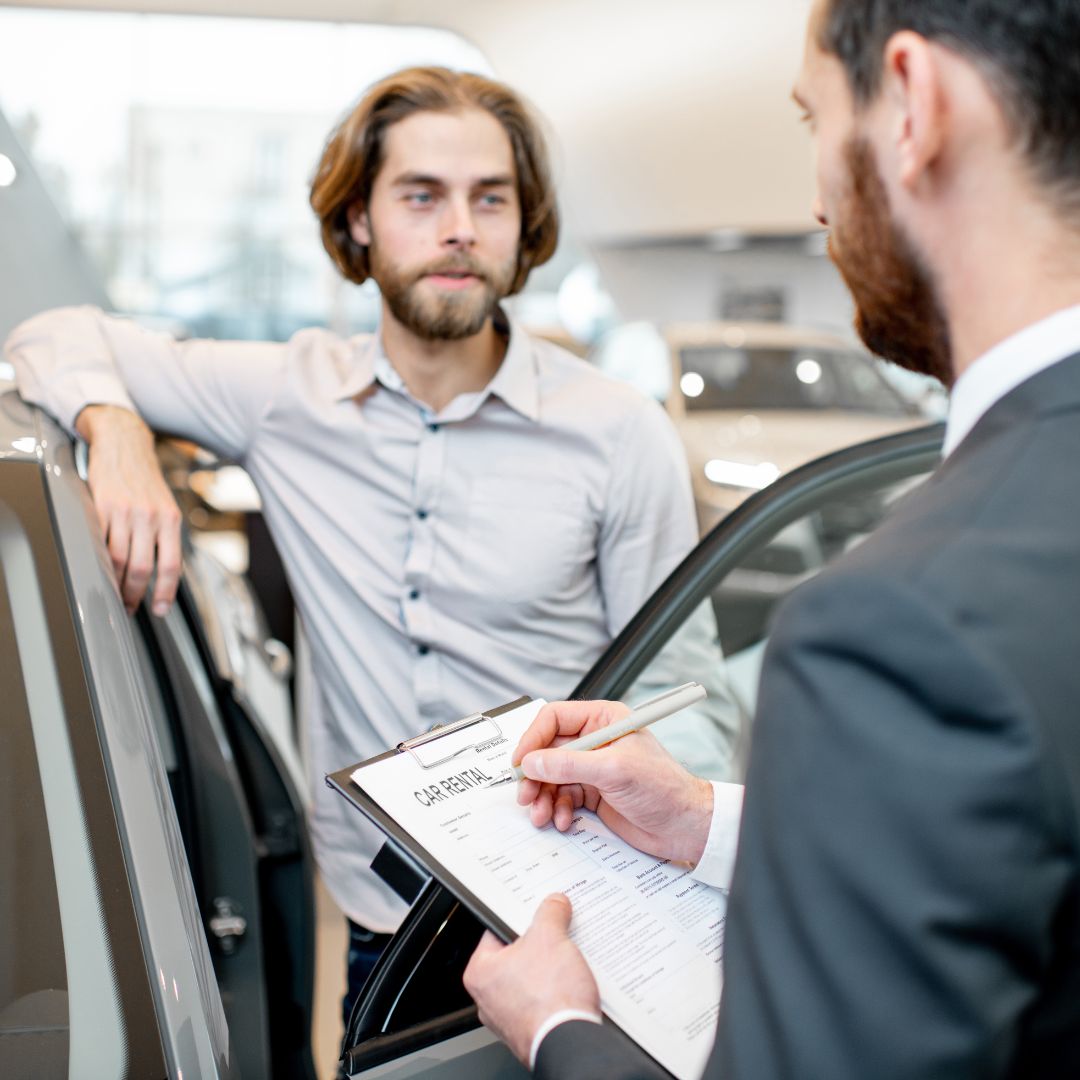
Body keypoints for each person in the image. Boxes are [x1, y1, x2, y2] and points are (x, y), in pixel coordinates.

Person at [5, 66, 738, 1024]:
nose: (460, 228)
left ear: (526, 228)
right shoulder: (285, 397)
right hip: (385, 925)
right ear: (358, 220)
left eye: (491, 198)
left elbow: (686, 696)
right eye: (421, 195)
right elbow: (47, 335)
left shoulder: (619, 431)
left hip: (575, 917)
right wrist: (118, 428)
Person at [462, 0, 1080, 1075]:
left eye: (813, 121)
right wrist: (708, 822)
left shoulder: (899, 626)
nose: (814, 200)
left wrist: (561, 1030)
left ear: (912, 105)